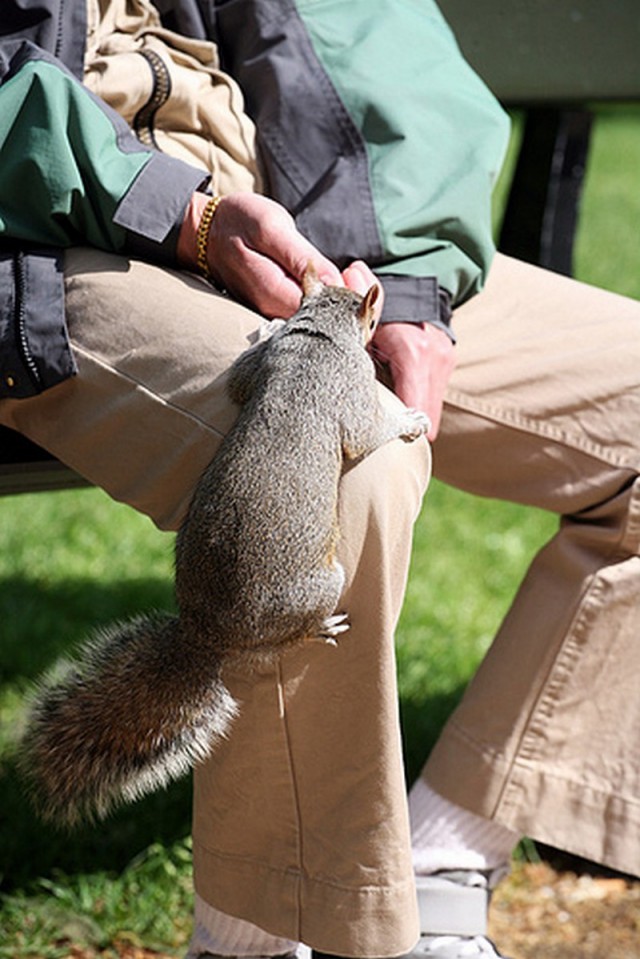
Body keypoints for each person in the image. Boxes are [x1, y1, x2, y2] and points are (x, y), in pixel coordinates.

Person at [1, 3, 639, 959]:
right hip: (58, 227)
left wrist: (408, 281)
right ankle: (263, 930)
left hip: (284, 224)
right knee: (349, 467)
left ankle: (446, 861)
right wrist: (173, 206)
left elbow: (374, 44)